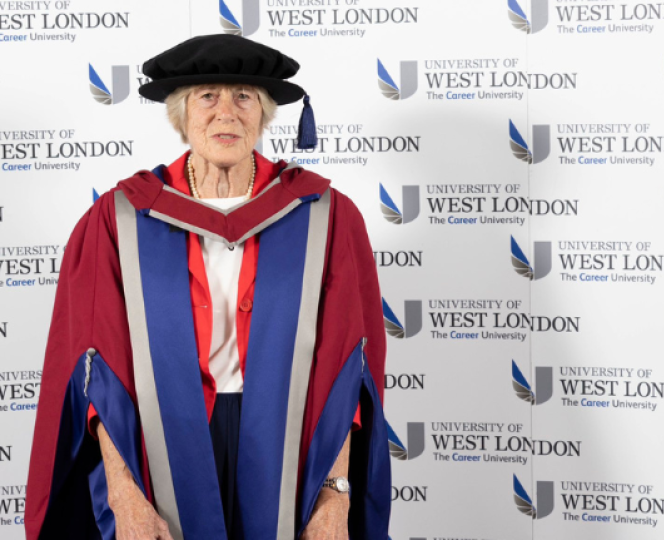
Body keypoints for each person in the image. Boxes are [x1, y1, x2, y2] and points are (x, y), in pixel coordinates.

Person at [25, 34, 391, 540]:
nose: (227, 113)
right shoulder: (121, 218)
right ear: (181, 115)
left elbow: (346, 371)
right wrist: (122, 493)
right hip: (159, 442)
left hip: (289, 446)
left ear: (264, 113)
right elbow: (96, 374)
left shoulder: (326, 218)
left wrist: (334, 495)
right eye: (208, 96)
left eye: (243, 96)